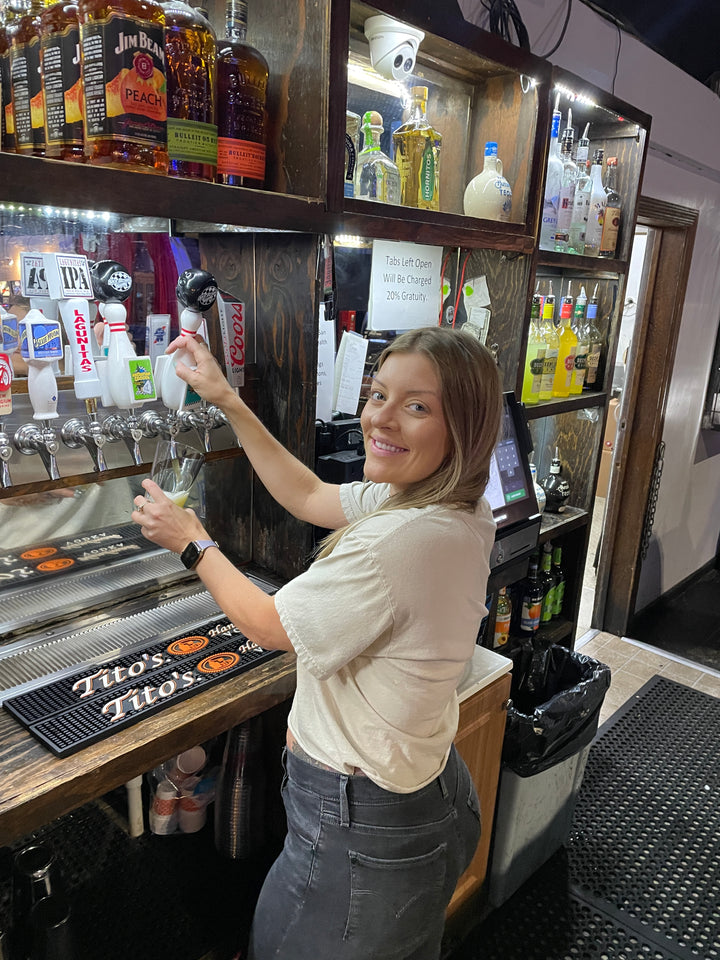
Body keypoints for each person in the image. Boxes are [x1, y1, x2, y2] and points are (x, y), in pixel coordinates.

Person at [130, 325, 503, 960]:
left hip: (362, 831)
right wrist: (227, 399)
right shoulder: (448, 506)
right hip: (425, 801)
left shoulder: (402, 541)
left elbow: (267, 625)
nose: (380, 418)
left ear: (463, 428)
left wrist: (191, 543)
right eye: (378, 394)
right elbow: (308, 494)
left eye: (417, 406)